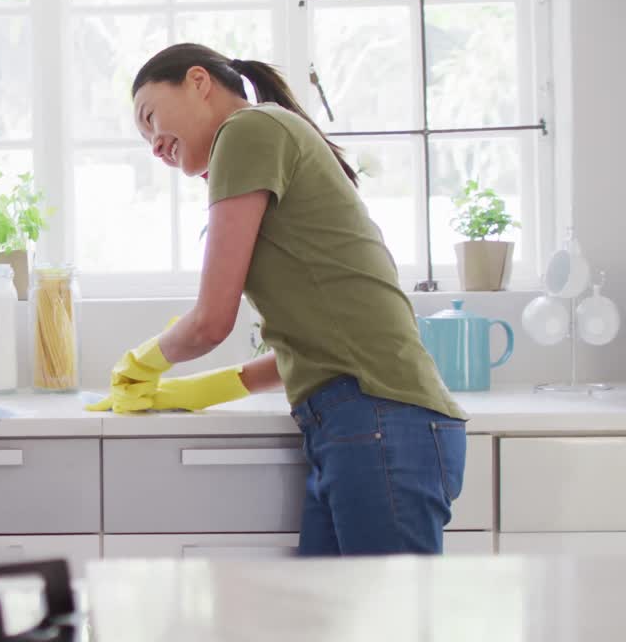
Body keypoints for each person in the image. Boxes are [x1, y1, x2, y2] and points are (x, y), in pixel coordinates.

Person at [91, 43, 467, 556]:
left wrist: (142, 362)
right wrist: (194, 391)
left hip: (379, 420)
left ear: (198, 81)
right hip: (365, 422)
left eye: (150, 117)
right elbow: (323, 342)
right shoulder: (264, 136)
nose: (154, 145)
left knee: (385, 622)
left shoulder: (248, 131)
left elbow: (210, 321)